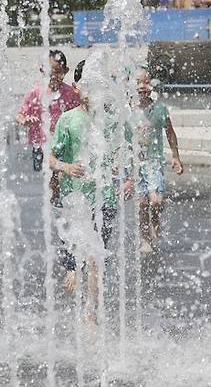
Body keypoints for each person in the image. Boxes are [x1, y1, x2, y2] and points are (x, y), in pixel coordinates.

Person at [49, 57, 128, 324]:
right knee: (79, 250)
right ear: (78, 87)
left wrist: (125, 175)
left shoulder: (108, 119)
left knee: (96, 256)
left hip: (104, 197)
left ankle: (91, 309)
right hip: (76, 198)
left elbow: (125, 149)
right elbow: (51, 157)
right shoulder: (67, 120)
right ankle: (74, 270)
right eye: (88, 85)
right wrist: (65, 167)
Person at [125, 68, 184, 253]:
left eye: (146, 82)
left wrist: (175, 156)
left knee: (156, 200)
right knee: (142, 203)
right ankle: (145, 240)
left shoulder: (159, 108)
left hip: (153, 161)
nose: (142, 87)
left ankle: (156, 217)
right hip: (135, 162)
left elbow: (170, 132)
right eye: (137, 83)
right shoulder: (126, 111)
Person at [16, 50, 80, 204]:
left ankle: (57, 203)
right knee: (49, 177)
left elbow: (81, 112)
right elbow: (20, 114)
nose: (53, 76)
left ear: (65, 71)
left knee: (57, 175)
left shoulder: (70, 93)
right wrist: (24, 120)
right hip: (41, 144)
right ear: (42, 70)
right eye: (49, 71)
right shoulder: (36, 92)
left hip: (62, 144)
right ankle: (54, 203)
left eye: (57, 72)